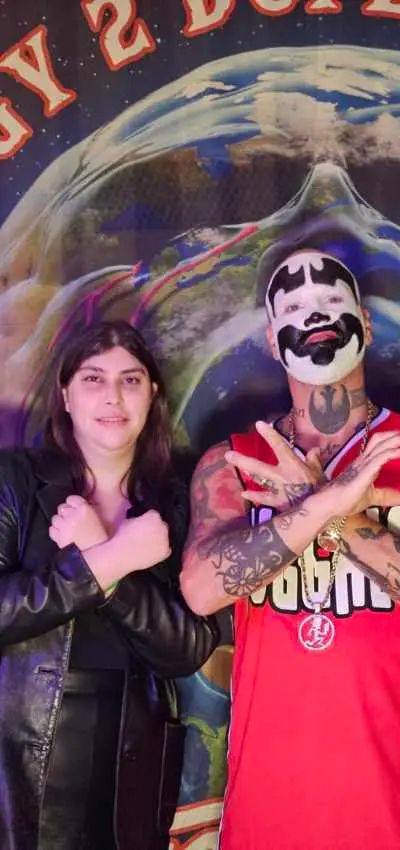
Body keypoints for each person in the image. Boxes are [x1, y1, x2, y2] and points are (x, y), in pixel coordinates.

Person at [180, 248, 400, 850]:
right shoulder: (234, 459)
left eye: (330, 300)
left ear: (365, 324)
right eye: (295, 306)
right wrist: (319, 507)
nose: (314, 315)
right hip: (270, 811)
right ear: (273, 340)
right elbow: (201, 589)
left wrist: (329, 511)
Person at [0, 320, 218, 850]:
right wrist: (108, 560)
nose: (113, 397)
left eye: (131, 380)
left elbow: (187, 648)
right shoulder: (14, 480)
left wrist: (104, 552)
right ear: (66, 396)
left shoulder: (178, 500)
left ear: (153, 394)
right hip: (15, 753)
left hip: (130, 762)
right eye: (94, 378)